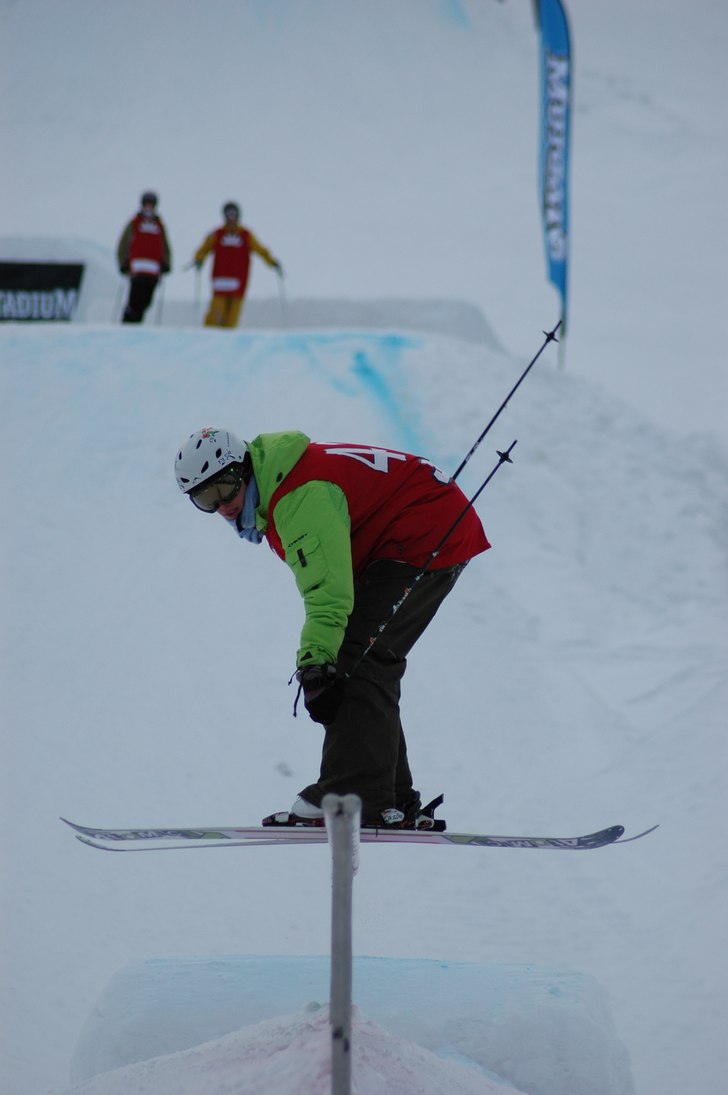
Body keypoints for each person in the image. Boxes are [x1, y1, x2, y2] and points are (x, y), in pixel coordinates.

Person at [174, 428, 491, 830]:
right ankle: (390, 796)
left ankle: (354, 794)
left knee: (356, 656)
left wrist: (315, 662)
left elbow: (327, 593)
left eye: (224, 486)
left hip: (426, 530)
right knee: (367, 656)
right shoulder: (279, 485)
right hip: (425, 525)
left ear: (245, 468)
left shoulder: (296, 498)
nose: (222, 505)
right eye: (205, 499)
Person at [193, 202, 282, 328]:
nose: (231, 217)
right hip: (220, 280)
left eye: (234, 214)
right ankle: (209, 336)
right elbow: (204, 249)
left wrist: (272, 262)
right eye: (229, 214)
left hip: (238, 281)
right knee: (216, 314)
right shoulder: (217, 234)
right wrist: (199, 259)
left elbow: (261, 250)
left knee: (232, 317)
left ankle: (228, 341)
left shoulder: (246, 235)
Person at [116, 191, 171, 323]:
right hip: (137, 268)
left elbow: (165, 245)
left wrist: (166, 263)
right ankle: (128, 323)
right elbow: (123, 243)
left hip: (153, 270)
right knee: (135, 299)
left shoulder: (159, 225)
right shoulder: (134, 223)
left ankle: (136, 323)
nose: (148, 207)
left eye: (151, 204)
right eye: (146, 204)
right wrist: (122, 262)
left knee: (146, 301)